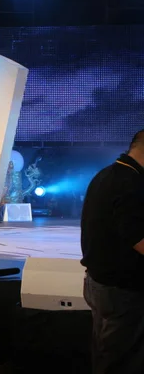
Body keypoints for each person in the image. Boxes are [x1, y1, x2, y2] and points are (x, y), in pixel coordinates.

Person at [81, 129, 144, 374]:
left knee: (106, 352)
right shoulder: (131, 183)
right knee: (122, 359)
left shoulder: (105, 175)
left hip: (100, 283)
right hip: (123, 291)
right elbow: (137, 238)